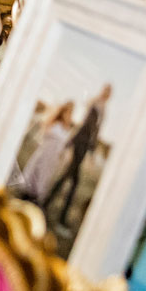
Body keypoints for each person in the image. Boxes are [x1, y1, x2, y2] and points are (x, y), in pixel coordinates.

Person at [44, 84, 110, 224]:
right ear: (104, 92)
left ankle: (48, 204)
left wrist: (90, 149)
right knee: (71, 180)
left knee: (70, 179)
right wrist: (79, 145)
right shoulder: (96, 106)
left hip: (83, 146)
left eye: (109, 92)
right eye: (106, 91)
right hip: (80, 144)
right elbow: (87, 127)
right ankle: (57, 213)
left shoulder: (101, 109)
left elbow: (93, 130)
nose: (107, 94)